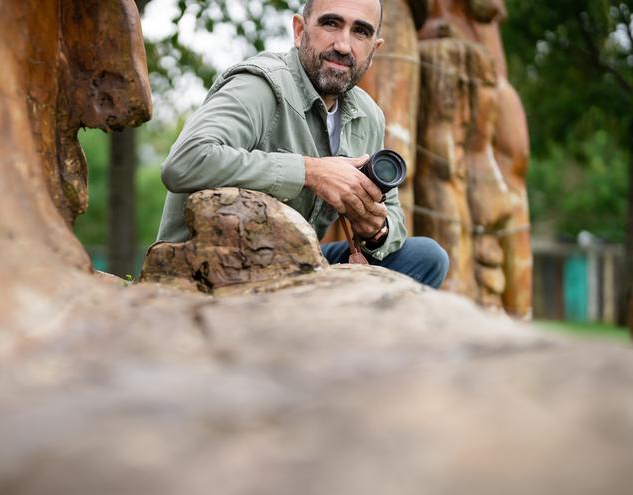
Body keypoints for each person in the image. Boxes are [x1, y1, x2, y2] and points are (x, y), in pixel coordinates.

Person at [155, 0, 448, 289]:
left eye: (361, 32)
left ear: (374, 49)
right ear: (299, 30)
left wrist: (376, 231)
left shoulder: (369, 117)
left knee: (427, 257)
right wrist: (311, 172)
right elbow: (184, 162)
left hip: (292, 267)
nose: (343, 45)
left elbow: (392, 213)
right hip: (210, 270)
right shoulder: (259, 85)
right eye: (331, 24)